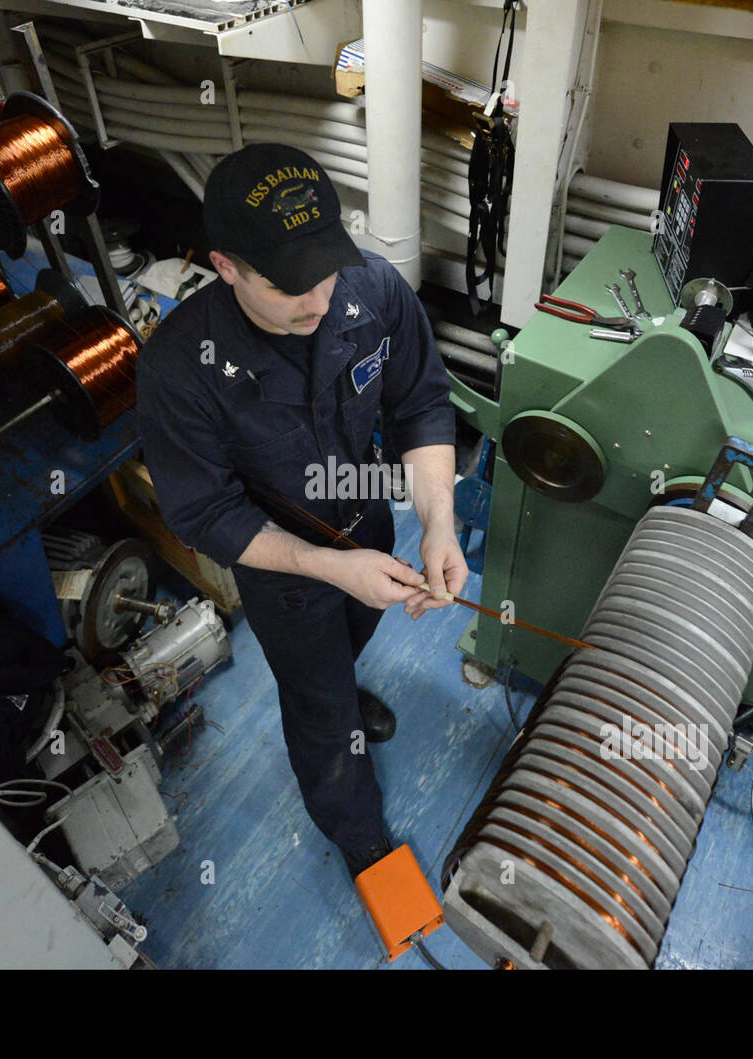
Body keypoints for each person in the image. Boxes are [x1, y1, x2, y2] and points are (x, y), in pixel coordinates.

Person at [135, 143, 467, 878]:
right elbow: (206, 513)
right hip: (285, 566)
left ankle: (340, 686)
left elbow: (421, 403)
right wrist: (327, 567)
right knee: (317, 705)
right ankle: (355, 829)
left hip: (370, 530)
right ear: (226, 267)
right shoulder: (179, 369)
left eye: (324, 271)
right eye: (290, 286)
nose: (319, 300)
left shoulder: (370, 290)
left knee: (345, 646)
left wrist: (438, 520)